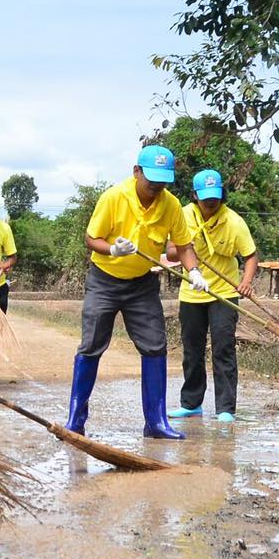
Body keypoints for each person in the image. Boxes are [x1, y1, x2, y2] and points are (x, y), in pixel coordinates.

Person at [67, 145, 204, 440]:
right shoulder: (114, 197)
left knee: (155, 346)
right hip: (104, 280)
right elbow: (91, 238)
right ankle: (75, 422)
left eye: (163, 180)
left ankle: (155, 423)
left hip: (142, 284)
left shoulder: (170, 205)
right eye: (151, 178)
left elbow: (183, 246)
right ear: (136, 172)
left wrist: (193, 271)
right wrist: (113, 249)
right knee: (91, 346)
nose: (156, 186)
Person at [172, 168, 259, 424]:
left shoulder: (234, 221)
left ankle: (225, 409)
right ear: (194, 195)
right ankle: (191, 404)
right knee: (192, 350)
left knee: (223, 349)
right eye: (205, 196)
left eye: (216, 195)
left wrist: (246, 282)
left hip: (223, 293)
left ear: (222, 194)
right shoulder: (183, 216)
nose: (211, 201)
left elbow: (251, 256)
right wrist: (185, 251)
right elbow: (171, 249)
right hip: (192, 291)